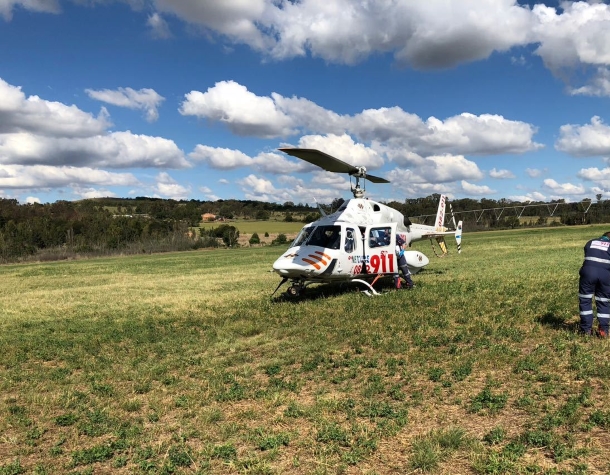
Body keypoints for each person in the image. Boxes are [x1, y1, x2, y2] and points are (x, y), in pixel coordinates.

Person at [579, 231, 610, 337]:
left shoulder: (590, 242)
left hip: (587, 274)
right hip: (605, 276)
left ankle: (586, 330)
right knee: (603, 301)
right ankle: (604, 330)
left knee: (585, 300)